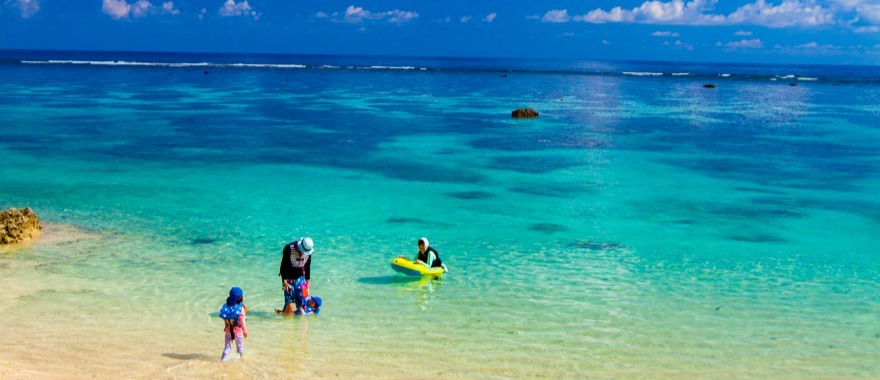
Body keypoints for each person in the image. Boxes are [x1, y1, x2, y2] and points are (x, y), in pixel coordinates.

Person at [277, 237, 314, 315]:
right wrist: (284, 281)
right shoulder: (289, 248)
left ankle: (300, 325)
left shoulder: (308, 252)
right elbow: (283, 266)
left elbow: (307, 267)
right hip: (288, 279)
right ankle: (285, 315)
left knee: (304, 307)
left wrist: (308, 283)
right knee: (289, 306)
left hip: (301, 279)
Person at [219, 287, 248, 361]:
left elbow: (224, 317)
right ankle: (242, 360)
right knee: (240, 347)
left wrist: (228, 323)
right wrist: (245, 331)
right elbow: (242, 320)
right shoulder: (240, 308)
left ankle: (223, 359)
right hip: (238, 331)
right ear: (240, 298)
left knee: (227, 347)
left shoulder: (226, 307)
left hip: (228, 330)